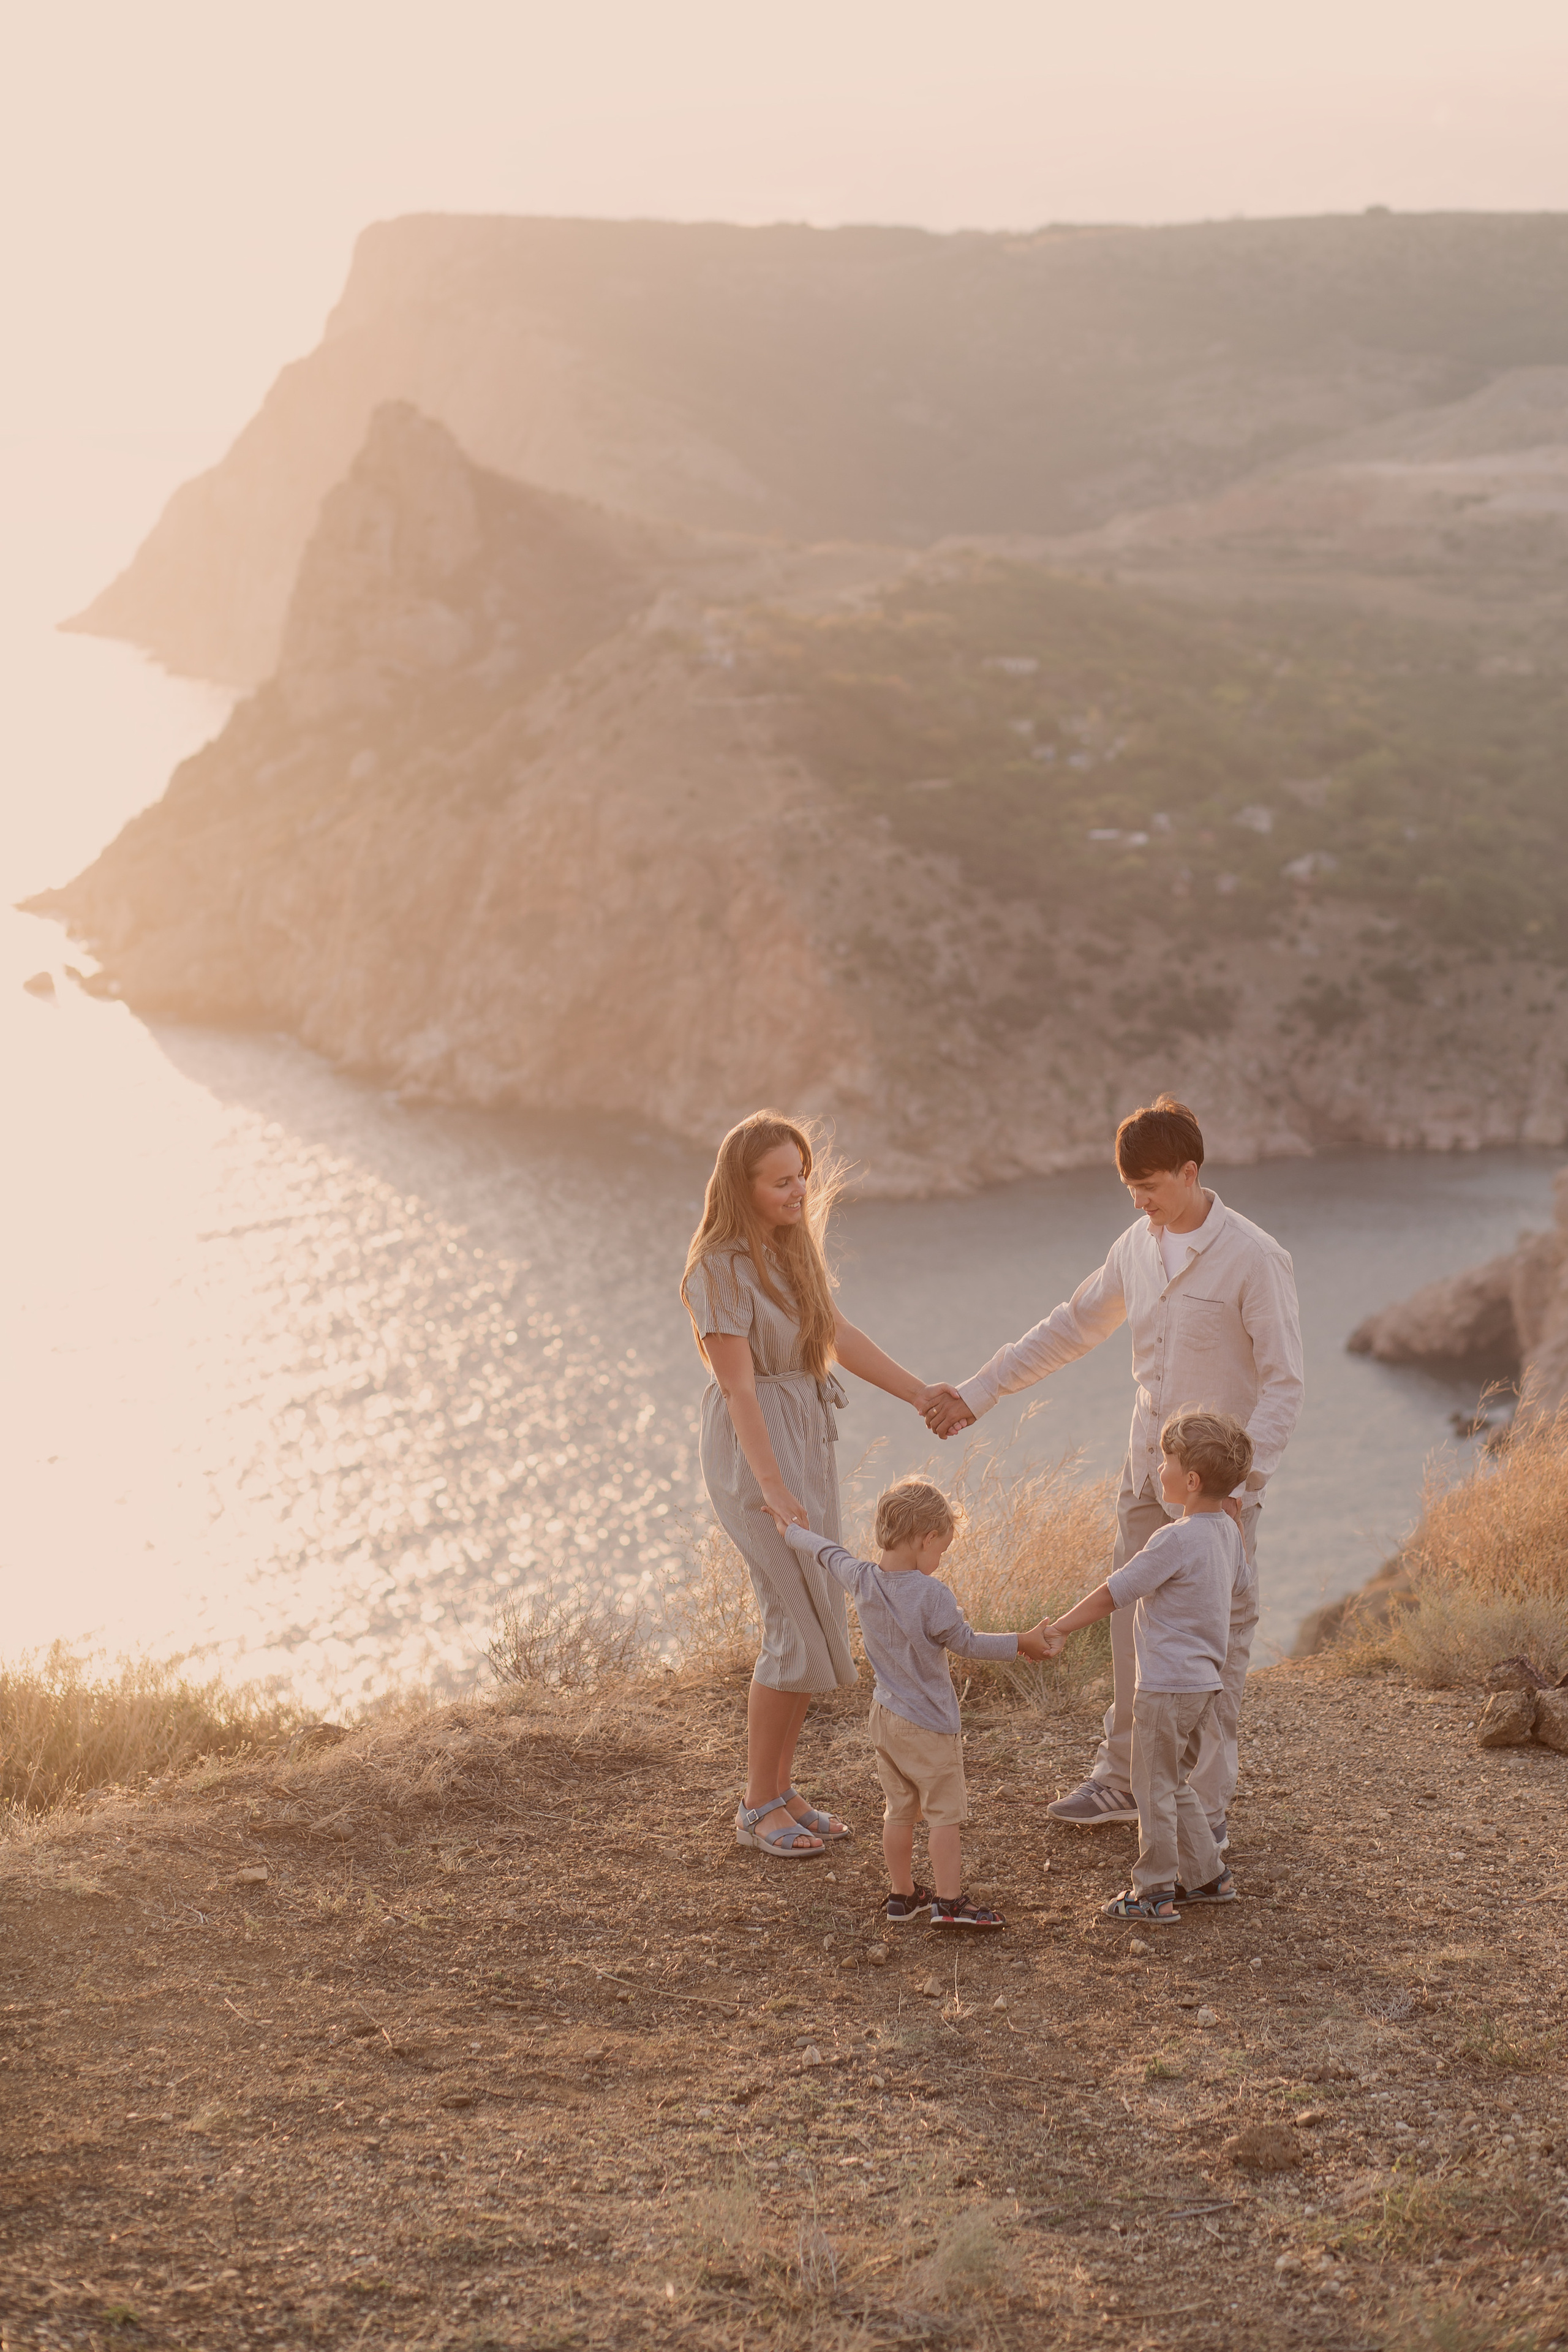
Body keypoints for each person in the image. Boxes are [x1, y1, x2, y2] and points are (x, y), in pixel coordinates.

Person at [923, 1096, 1303, 1847]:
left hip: (1216, 1495)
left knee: (1215, 1643)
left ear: (1189, 1172)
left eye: (1150, 1187)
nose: (1139, 1203)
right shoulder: (1137, 1244)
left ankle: (1204, 1808)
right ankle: (1124, 1777)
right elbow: (1071, 1326)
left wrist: (1237, 1489)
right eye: (1130, 1189)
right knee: (1132, 1626)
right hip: (1146, 1473)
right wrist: (978, 1391)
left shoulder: (1255, 1258)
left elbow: (1284, 1385)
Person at [682, 1110, 952, 1860]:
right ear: (740, 1186)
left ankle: (779, 1789)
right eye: (780, 1181)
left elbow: (837, 1334)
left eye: (801, 1176)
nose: (797, 1191)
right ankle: (754, 1805)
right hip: (756, 1450)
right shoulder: (716, 1270)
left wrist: (918, 1393)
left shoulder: (790, 1249)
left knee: (813, 1612)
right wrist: (772, 1487)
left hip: (804, 1439)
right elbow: (738, 1389)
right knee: (790, 1623)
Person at [771, 1476, 1052, 1925]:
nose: (939, 1560)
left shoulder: (861, 1578)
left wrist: (791, 1530)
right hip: (929, 1724)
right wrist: (1022, 1642)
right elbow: (967, 1642)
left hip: (885, 1717)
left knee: (898, 1812)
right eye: (942, 1550)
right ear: (926, 1539)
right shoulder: (931, 1594)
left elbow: (825, 1552)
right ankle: (949, 1903)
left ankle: (902, 1895)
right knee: (943, 1815)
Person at [1041, 1407, 1254, 1924]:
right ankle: (1208, 1877)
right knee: (1174, 1783)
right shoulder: (1227, 1532)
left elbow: (1115, 1592)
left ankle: (1153, 1891)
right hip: (1204, 1685)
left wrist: (1060, 1627)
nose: (1159, 1468)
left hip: (1165, 1687)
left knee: (1152, 1789)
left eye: (1166, 1460)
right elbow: (1241, 1585)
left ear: (1191, 1480)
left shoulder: (1174, 1538)